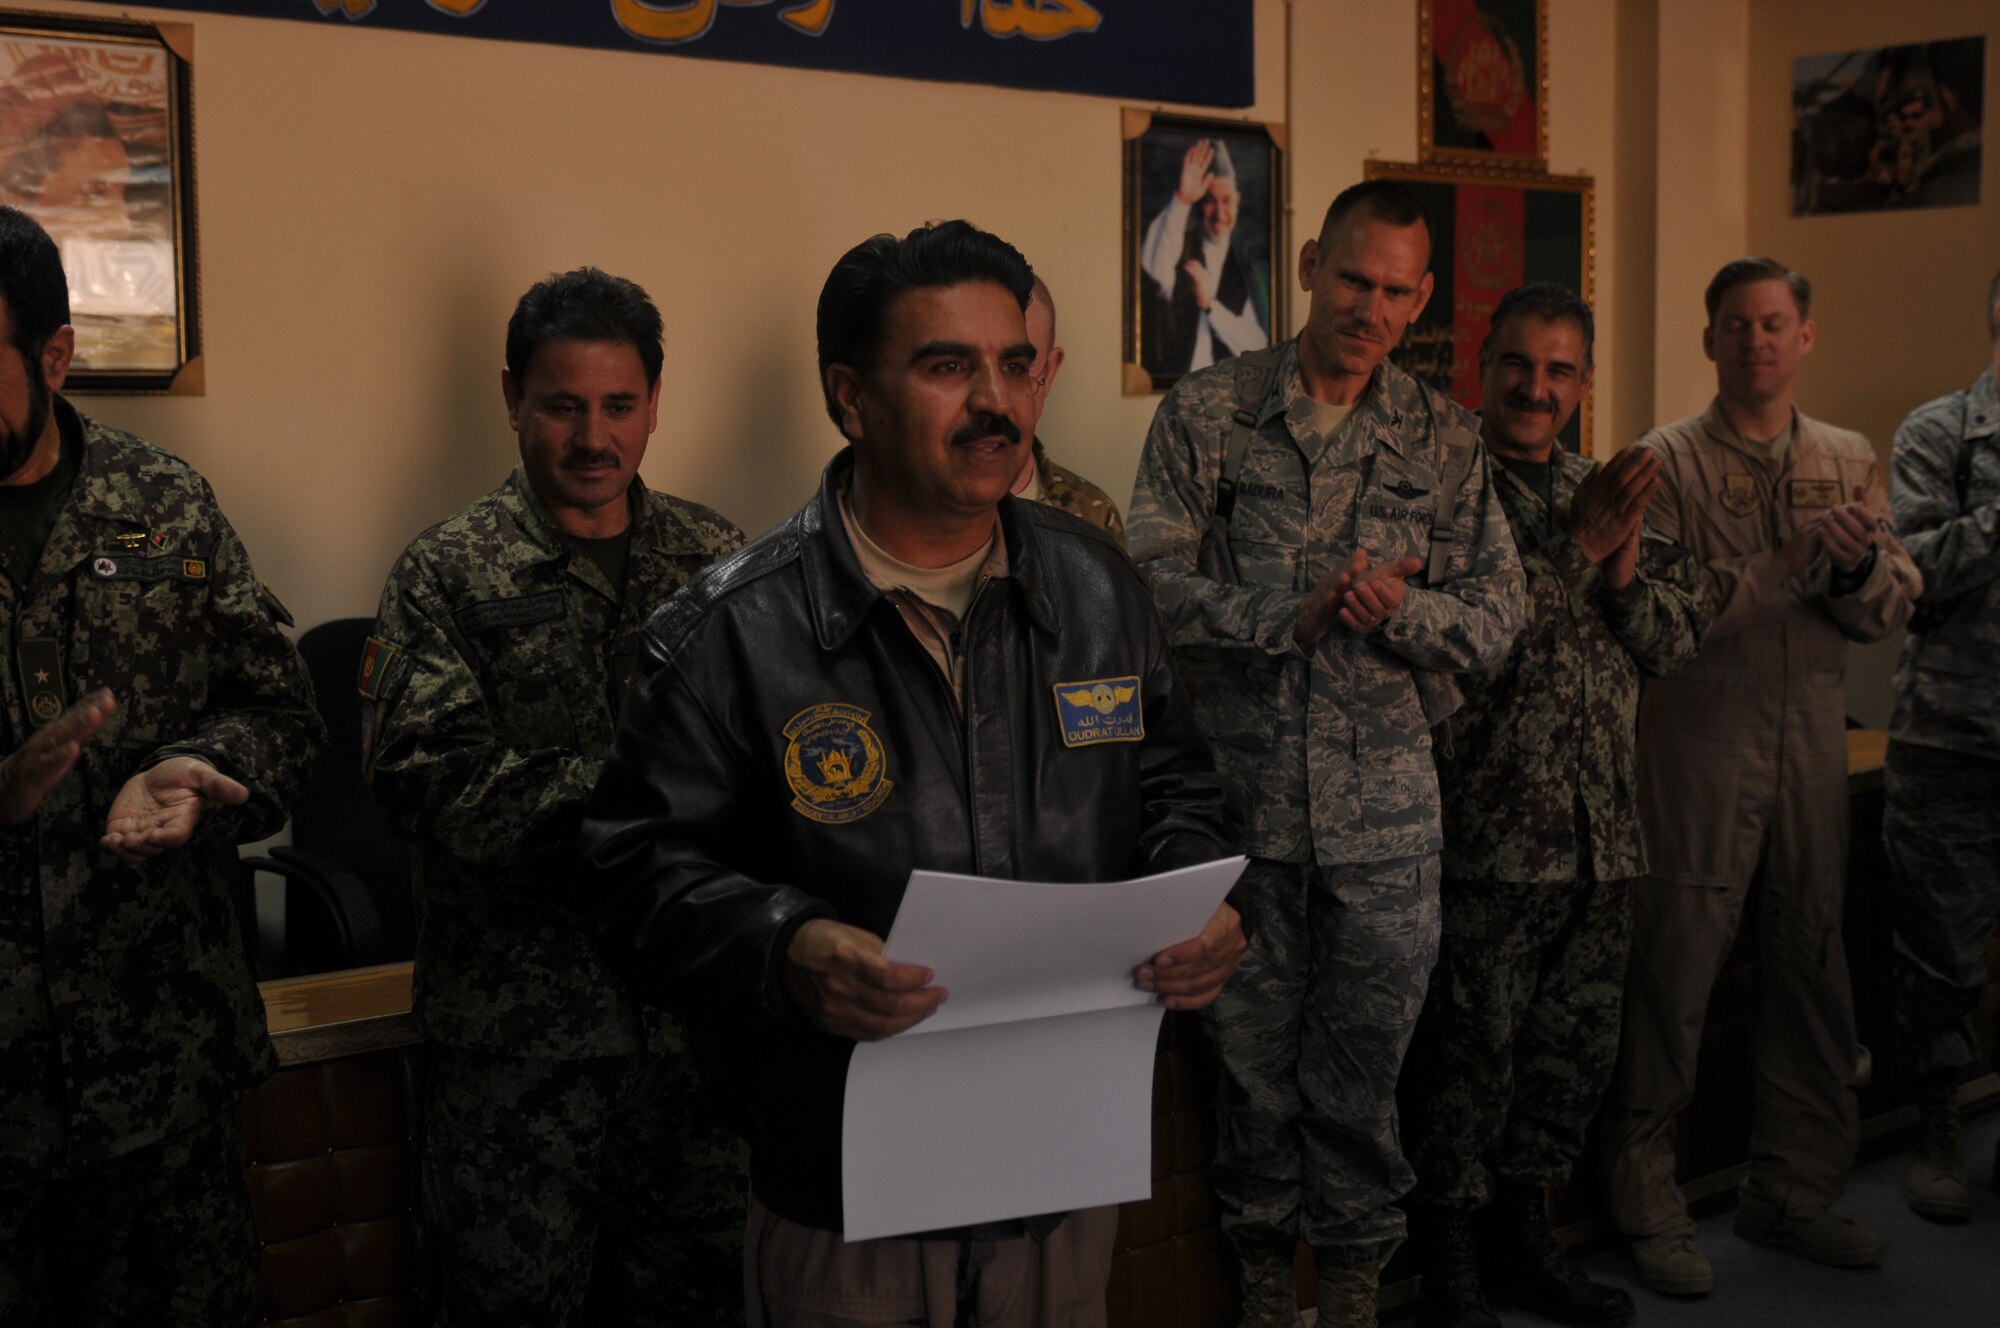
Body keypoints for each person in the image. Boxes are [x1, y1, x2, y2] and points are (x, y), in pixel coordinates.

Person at [581, 219, 1244, 1328]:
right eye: (947, 366)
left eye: (1013, 363)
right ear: (850, 396)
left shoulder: (1096, 590)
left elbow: (1176, 785)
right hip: (846, 1184)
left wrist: (1199, 900)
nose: (996, 400)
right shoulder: (735, 629)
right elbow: (630, 872)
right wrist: (785, 943)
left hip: (1057, 1165)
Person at [1128, 179, 1523, 1328]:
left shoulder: (1444, 441)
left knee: (1361, 1085)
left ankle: (1348, 1293)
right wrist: (1281, 615)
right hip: (1240, 818)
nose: (1372, 307)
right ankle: (1262, 1291)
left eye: (1398, 291)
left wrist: (1389, 612)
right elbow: (1142, 588)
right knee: (1251, 1083)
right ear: (1306, 263)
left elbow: (1498, 616)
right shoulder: (1206, 414)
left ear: (1423, 297)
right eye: (1353, 279)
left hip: (1387, 830)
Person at [361, 267, 748, 1326]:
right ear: (512, 400)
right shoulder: (446, 572)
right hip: (518, 1059)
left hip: (688, 1044)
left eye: (619, 405)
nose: (592, 436)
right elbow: (429, 785)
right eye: (562, 405)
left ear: (655, 404)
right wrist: (651, 783)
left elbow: (774, 774)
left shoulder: (720, 565)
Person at [0, 204, 323, 1323]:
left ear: (55, 356)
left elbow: (279, 707)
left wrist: (197, 761)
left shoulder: (163, 501)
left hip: (162, 1073)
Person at [1601, 257, 1921, 1295]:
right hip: (1699, 754)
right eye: (1733, 326)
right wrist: (1781, 564)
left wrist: (1857, 567)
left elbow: (1886, 607)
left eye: (1772, 323)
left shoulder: (1844, 455)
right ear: (1708, 342)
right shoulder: (1666, 462)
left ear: (1803, 336)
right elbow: (1653, 613)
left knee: (1810, 972)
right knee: (1672, 980)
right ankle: (1645, 1203)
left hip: (1807, 752)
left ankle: (1792, 1191)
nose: (1754, 342)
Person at [1396, 284, 1710, 1328]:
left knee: (1561, 1065)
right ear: (1479, 369)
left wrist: (1618, 571)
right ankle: (1446, 1265)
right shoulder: (1434, 492)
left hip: (1599, 840)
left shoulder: (1605, 485)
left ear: (1581, 381)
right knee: (1463, 1065)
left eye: (1560, 369)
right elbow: (1458, 646)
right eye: (1518, 365)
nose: (1537, 387)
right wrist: (1576, 550)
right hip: (1486, 839)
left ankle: (1523, 1239)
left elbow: (1669, 642)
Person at [1883, 268, 2000, 1223]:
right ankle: (1939, 1123)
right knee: (1939, 951)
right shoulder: (1939, 432)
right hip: (1954, 738)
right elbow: (1914, 569)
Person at [1141, 137, 1270, 375]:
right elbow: (1156, 272)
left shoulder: (1252, 269)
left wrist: (1209, 304)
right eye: (1210, 201)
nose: (1219, 213)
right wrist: (1182, 200)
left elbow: (1258, 346)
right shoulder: (1177, 247)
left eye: (1227, 200)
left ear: (1238, 202)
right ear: (1200, 203)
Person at [1012, 275, 1126, 541]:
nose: (993, 397)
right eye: (953, 367)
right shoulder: (905, 507)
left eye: (1016, 368)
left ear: (1049, 372)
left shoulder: (1093, 515)